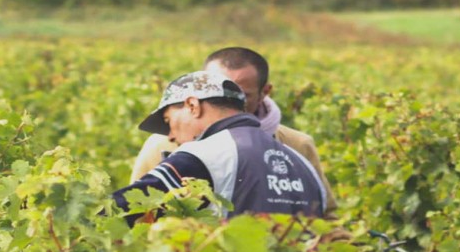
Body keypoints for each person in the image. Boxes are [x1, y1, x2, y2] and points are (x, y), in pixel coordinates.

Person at [112, 70, 329, 224]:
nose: (170, 136)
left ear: (192, 106)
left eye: (169, 121)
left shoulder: (204, 154)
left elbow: (129, 203)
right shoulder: (299, 161)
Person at [128, 47, 330, 199]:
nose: (226, 103)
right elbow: (139, 209)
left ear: (265, 92)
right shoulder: (162, 145)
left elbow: (322, 214)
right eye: (215, 96)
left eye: (240, 95)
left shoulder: (296, 145)